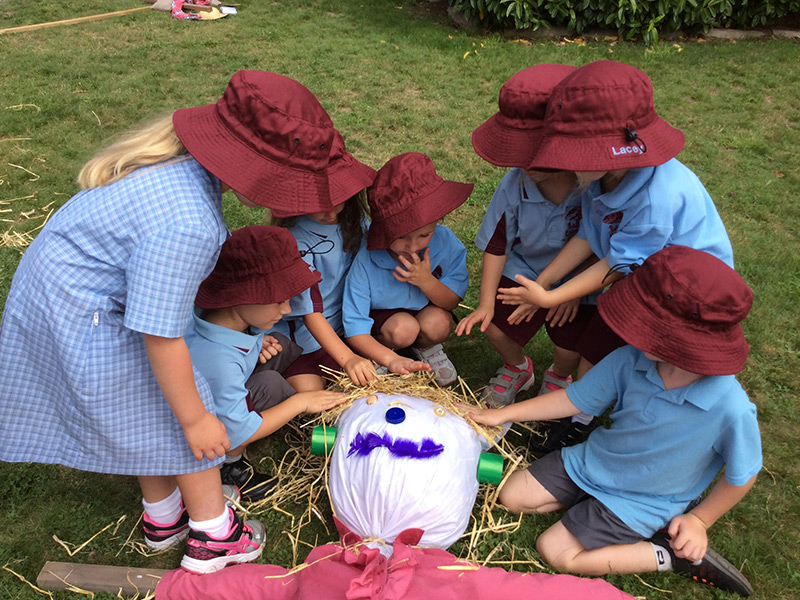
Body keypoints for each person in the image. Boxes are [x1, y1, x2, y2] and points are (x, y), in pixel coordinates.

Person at [0, 70, 340, 573]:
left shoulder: (181, 175)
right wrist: (197, 419)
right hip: (82, 314)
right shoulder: (191, 224)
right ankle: (214, 536)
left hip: (70, 301)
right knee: (182, 406)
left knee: (149, 408)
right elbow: (160, 333)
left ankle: (163, 519)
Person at [463, 246, 760, 597]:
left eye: (648, 324)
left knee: (556, 550)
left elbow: (743, 474)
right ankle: (589, 508)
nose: (634, 330)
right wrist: (501, 414)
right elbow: (574, 398)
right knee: (511, 496)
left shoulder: (730, 407)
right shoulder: (632, 359)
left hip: (641, 499)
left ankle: (666, 556)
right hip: (595, 462)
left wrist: (699, 520)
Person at [499, 60, 735, 450]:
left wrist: (553, 297)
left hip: (688, 296)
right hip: (643, 275)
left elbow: (614, 263)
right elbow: (592, 235)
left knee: (641, 355)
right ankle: (582, 409)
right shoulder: (606, 177)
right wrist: (543, 282)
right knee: (599, 344)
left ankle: (584, 420)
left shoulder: (657, 196)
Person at [456, 64, 599, 409]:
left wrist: (571, 291)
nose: (522, 164)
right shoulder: (514, 185)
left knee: (570, 345)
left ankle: (558, 375)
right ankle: (518, 368)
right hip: (525, 271)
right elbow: (497, 244)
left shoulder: (593, 186)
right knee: (493, 324)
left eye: (532, 154)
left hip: (579, 280)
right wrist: (486, 302)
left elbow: (602, 244)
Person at [186, 226, 347, 502]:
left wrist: (258, 341)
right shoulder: (218, 360)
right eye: (279, 301)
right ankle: (229, 467)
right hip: (210, 428)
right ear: (242, 298)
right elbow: (237, 431)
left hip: (231, 373)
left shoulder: (232, 320)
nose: (287, 310)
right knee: (273, 386)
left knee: (279, 346)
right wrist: (300, 403)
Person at [342, 152, 471, 386]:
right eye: (401, 236)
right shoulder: (367, 259)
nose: (413, 246)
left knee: (439, 324)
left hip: (427, 310)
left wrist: (427, 282)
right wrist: (388, 357)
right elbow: (354, 325)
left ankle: (426, 347)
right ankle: (381, 353)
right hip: (387, 322)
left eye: (424, 235)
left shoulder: (447, 242)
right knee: (403, 329)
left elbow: (451, 301)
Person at [268, 131, 379, 392]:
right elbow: (309, 312)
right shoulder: (292, 240)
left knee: (363, 387)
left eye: (336, 199)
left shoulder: (354, 221)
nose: (329, 211)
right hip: (304, 341)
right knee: (313, 394)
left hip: (348, 326)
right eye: (317, 202)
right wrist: (348, 358)